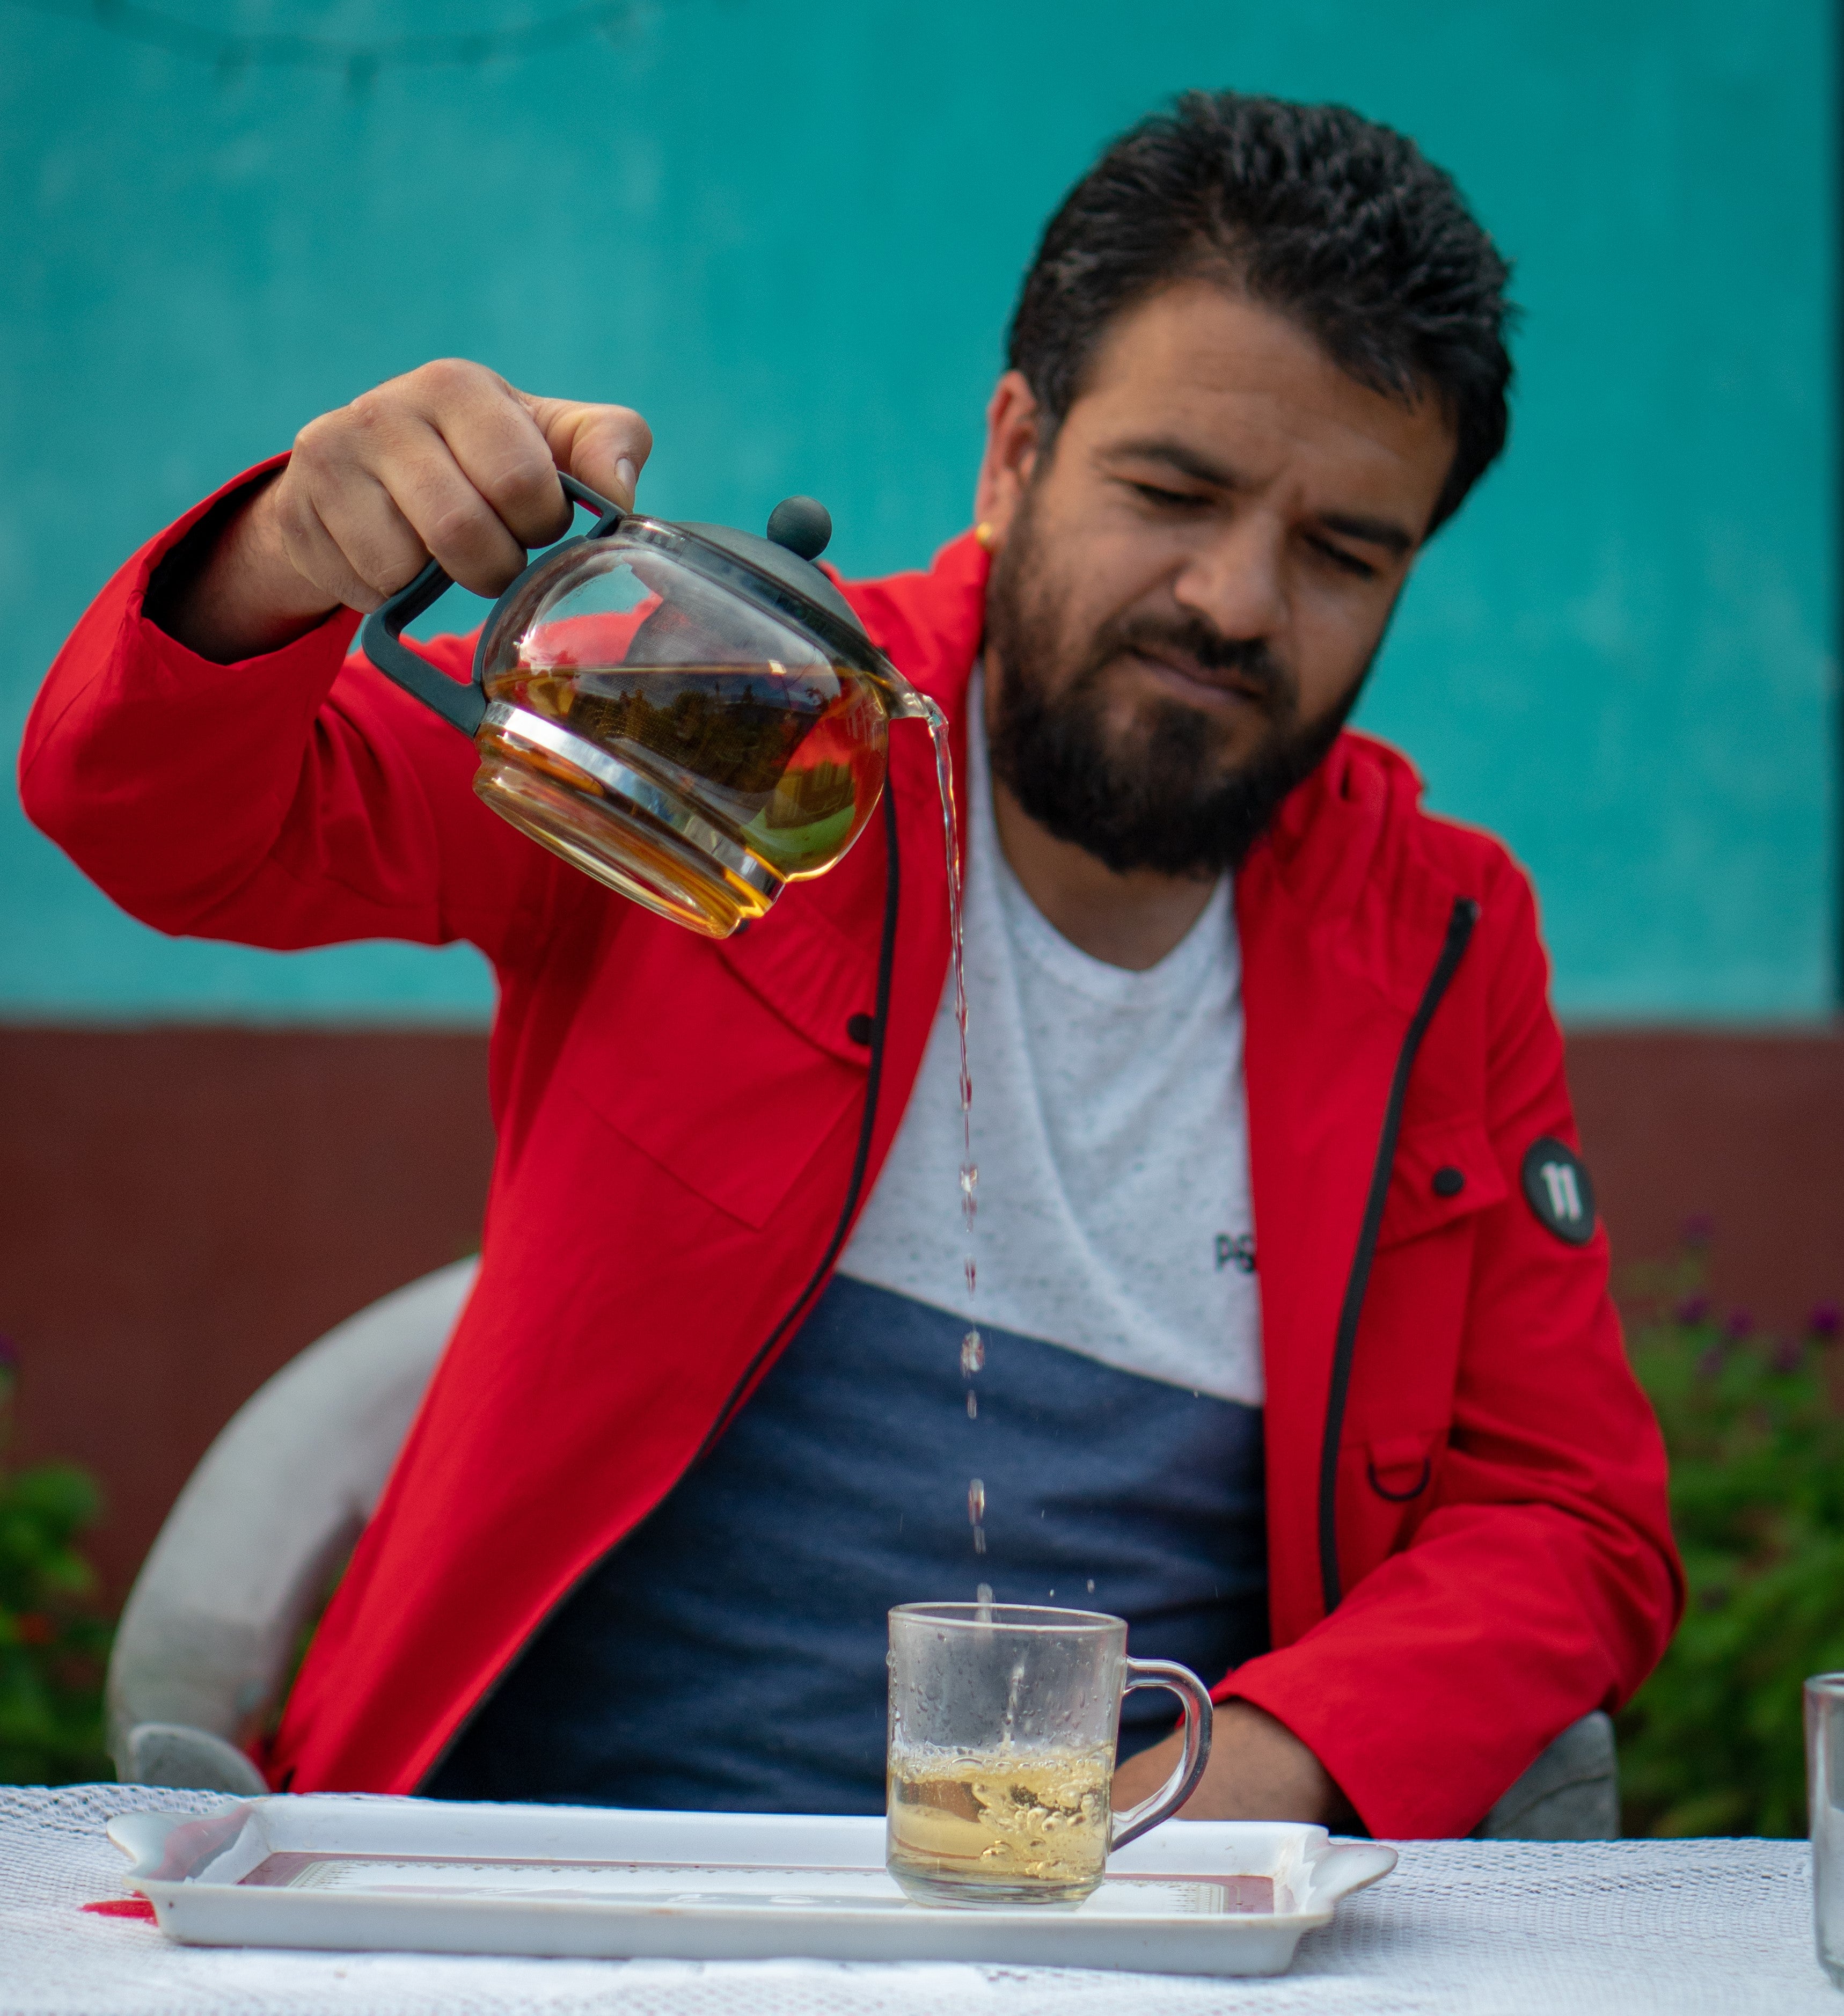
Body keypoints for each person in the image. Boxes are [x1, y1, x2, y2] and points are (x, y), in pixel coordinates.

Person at [20, 91, 1679, 1838]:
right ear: (1015, 449)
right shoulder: (749, 712)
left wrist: (1242, 1776)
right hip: (536, 1892)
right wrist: (289, 546)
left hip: (1086, 1923)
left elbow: (1570, 1518)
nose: (1237, 600)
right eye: (1171, 490)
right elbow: (149, 813)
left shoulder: (1437, 933)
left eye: (1344, 550)